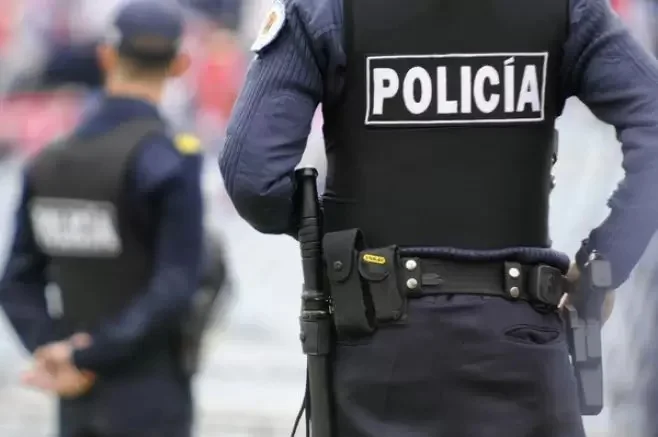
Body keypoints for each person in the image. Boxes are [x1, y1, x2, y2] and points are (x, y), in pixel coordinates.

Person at [219, 0, 658, 435]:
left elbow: (253, 179)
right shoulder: (566, 9)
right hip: (522, 351)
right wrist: (603, 261)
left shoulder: (325, 9)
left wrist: (346, 244)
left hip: (378, 356)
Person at [0, 2, 204, 437]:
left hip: (74, 395)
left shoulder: (47, 162)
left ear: (106, 56)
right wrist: (90, 353)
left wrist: (54, 349)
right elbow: (175, 286)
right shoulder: (169, 161)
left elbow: (16, 280)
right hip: (150, 394)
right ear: (180, 65)